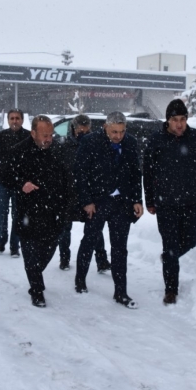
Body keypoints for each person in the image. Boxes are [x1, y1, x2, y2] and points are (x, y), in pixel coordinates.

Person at [74, 111, 143, 309]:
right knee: (90, 240)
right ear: (105, 127)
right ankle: (80, 279)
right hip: (97, 202)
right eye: (114, 131)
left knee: (120, 248)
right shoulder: (90, 142)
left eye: (121, 131)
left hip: (121, 203)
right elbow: (80, 173)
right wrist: (87, 201)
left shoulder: (130, 142)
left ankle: (120, 292)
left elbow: (135, 173)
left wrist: (137, 200)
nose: (118, 136)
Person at [144, 99, 196, 305]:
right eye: (175, 120)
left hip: (190, 201)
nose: (179, 124)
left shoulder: (195, 137)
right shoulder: (157, 140)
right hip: (166, 203)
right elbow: (148, 172)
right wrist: (150, 200)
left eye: (182, 120)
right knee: (170, 245)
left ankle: (169, 258)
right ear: (168, 121)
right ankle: (171, 289)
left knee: (191, 240)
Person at [10, 115, 71, 307]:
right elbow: (5, 176)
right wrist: (21, 183)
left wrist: (67, 204)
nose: (49, 139)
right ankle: (37, 289)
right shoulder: (19, 151)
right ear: (33, 133)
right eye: (44, 135)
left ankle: (35, 274)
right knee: (30, 253)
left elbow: (67, 180)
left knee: (48, 250)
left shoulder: (58, 151)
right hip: (27, 212)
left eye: (51, 134)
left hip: (52, 212)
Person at [56, 114, 111, 272]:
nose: (83, 134)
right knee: (65, 229)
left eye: (87, 131)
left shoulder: (95, 146)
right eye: (80, 131)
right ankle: (64, 259)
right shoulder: (64, 147)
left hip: (88, 195)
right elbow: (59, 170)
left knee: (95, 229)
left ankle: (102, 261)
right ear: (73, 129)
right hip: (67, 194)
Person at [0, 109, 31, 257]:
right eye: (12, 118)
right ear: (8, 120)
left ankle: (15, 245)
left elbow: (34, 161)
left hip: (20, 185)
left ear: (22, 120)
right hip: (2, 182)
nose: (14, 121)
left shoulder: (28, 137)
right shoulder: (1, 137)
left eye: (17, 118)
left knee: (18, 215)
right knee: (1, 213)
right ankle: (2, 239)